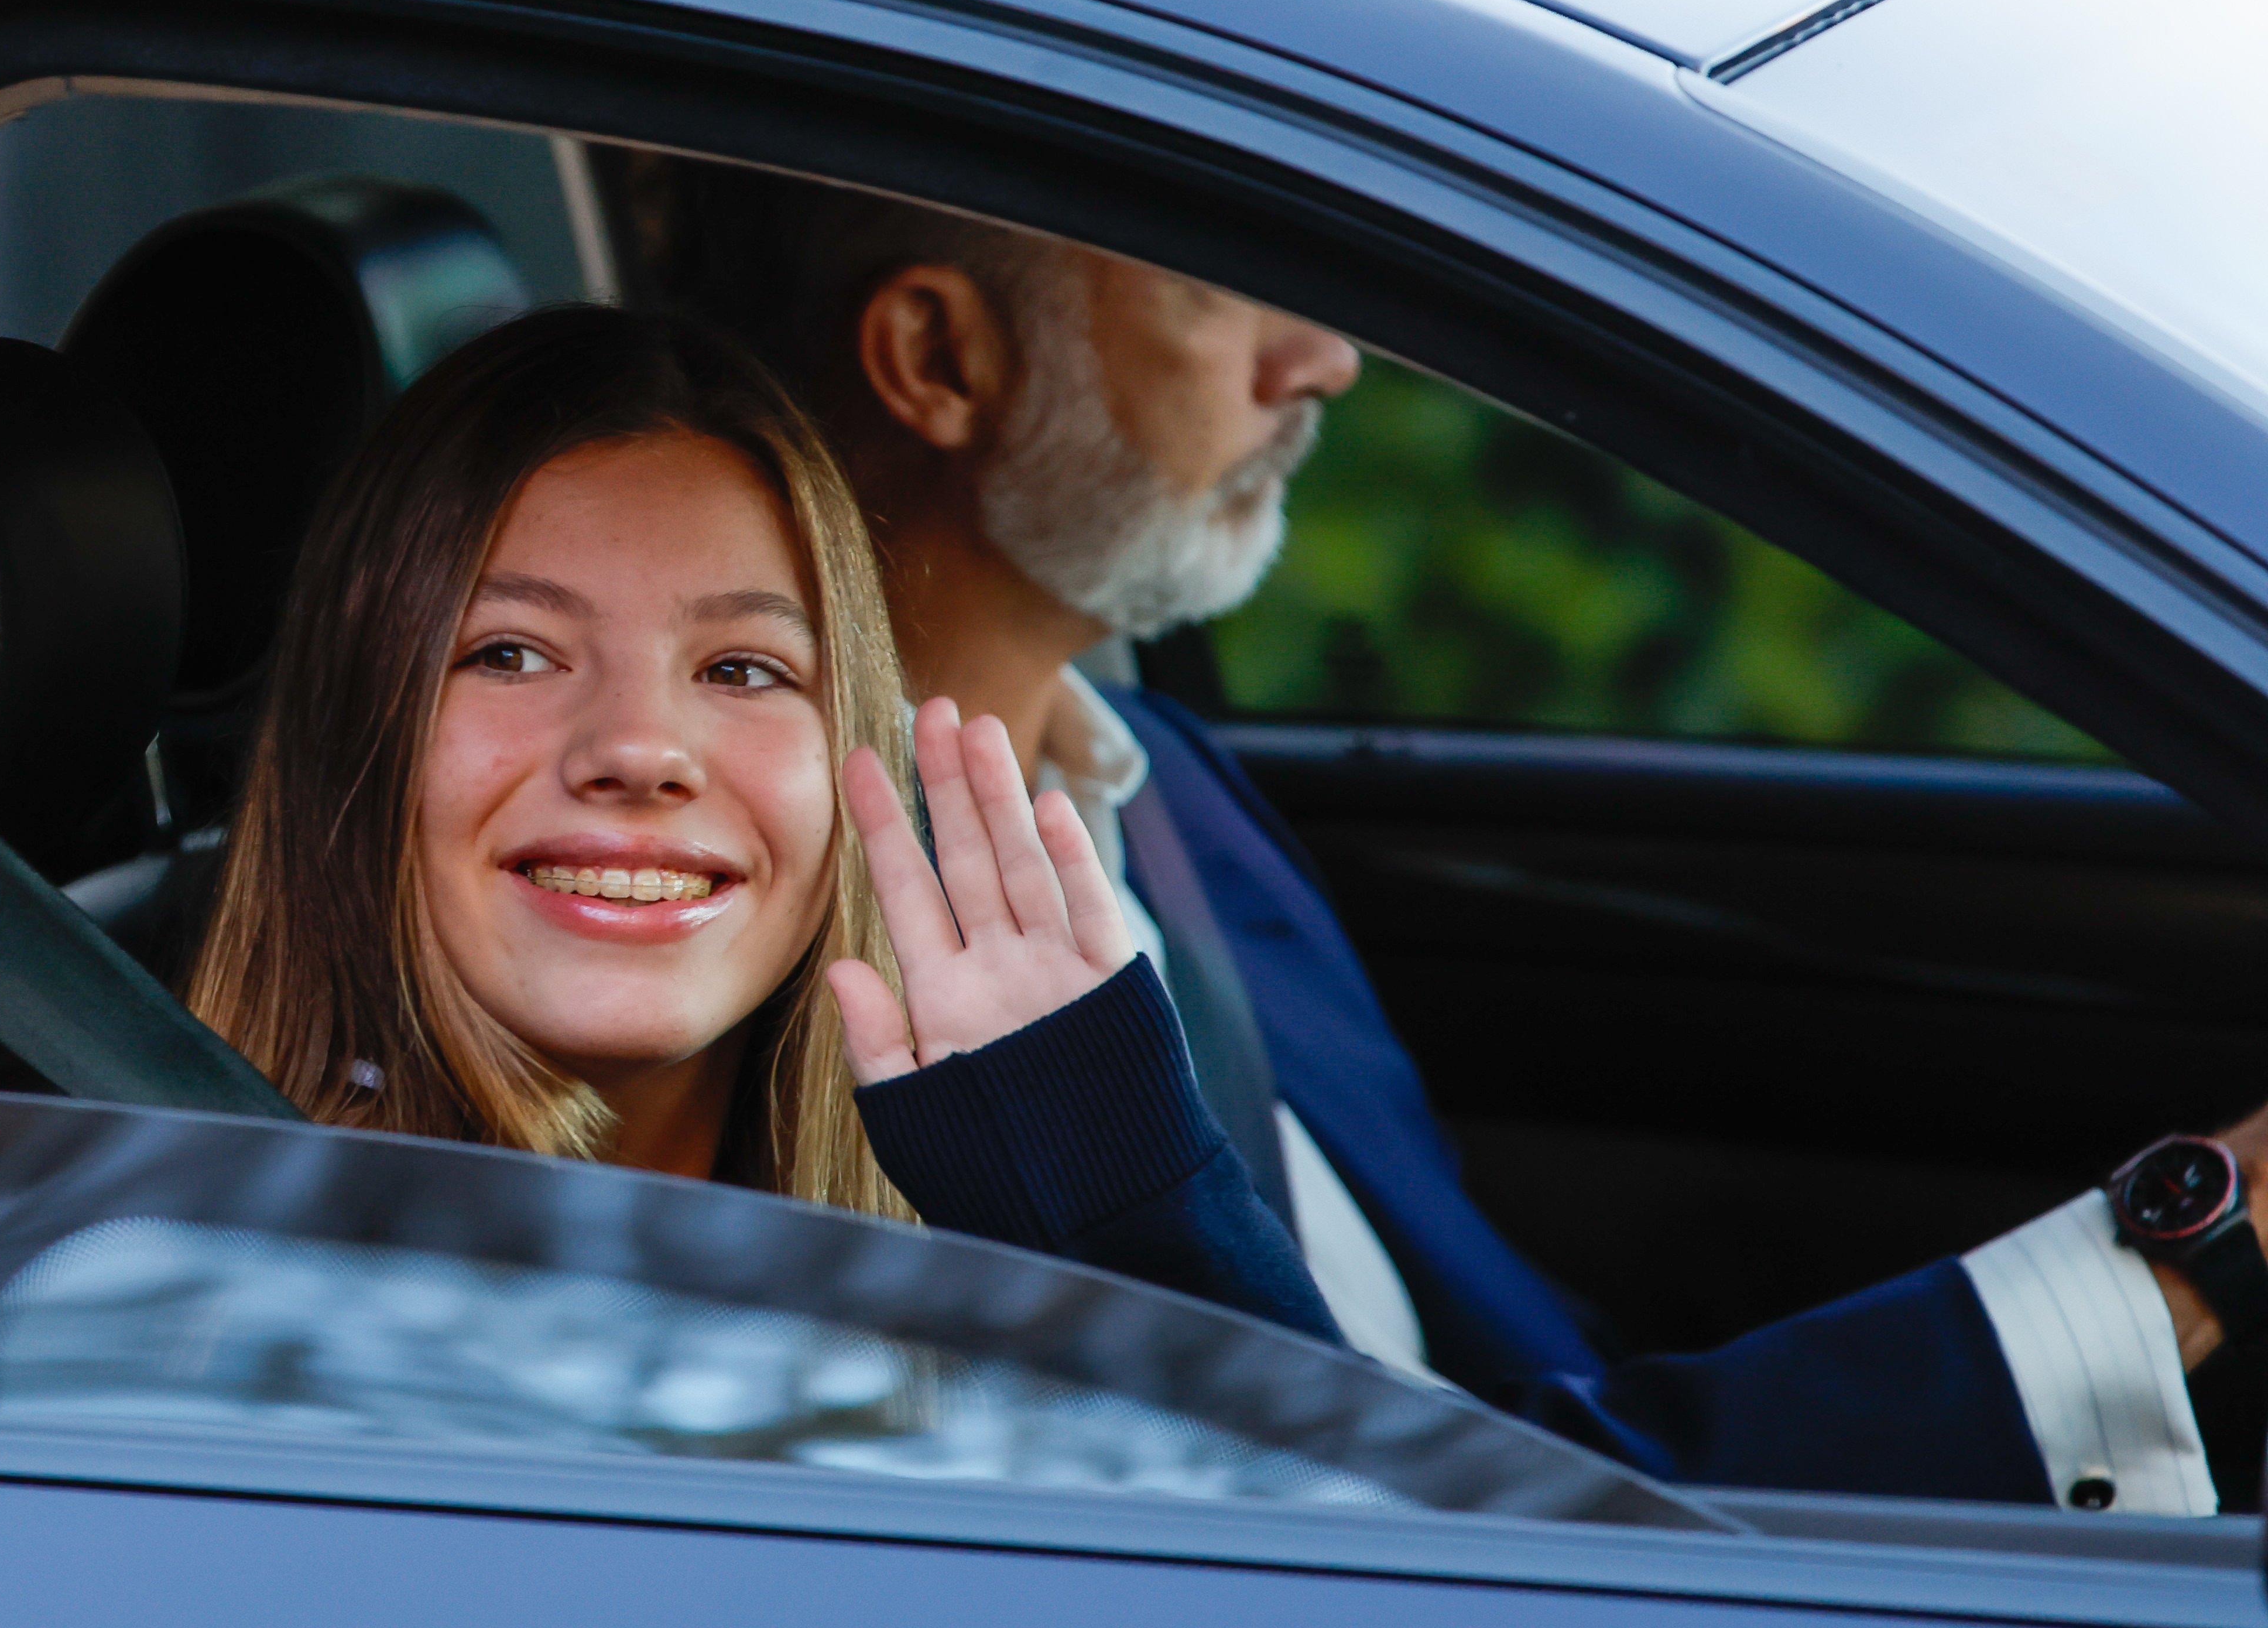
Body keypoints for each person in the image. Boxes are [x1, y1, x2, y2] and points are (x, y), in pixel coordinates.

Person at [629, 155, 2267, 1512]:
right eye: (1213, 280)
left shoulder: (1167, 783)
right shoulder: (800, 983)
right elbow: (1404, 1526)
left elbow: (1479, 1412)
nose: (1323, 356)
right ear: (940, 359)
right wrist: (2173, 1269)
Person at [183, 305, 1339, 1343]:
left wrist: (1113, 1205)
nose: (638, 749)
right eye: (508, 653)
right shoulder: (199, 1317)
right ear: (357, 728)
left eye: (742, 668)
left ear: (851, 751)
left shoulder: (933, 1281)